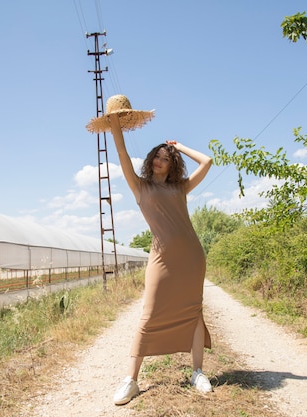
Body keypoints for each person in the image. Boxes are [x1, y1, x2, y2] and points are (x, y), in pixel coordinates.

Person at [86, 95, 214, 406]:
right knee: (148, 315)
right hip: (161, 259)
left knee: (194, 312)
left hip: (191, 257)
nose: (159, 161)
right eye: (157, 156)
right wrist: (114, 123)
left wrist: (178, 145)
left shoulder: (179, 187)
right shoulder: (140, 186)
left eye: (165, 158)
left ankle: (197, 371)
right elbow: (120, 151)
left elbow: (207, 161)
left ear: (172, 164)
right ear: (150, 160)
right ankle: (131, 380)